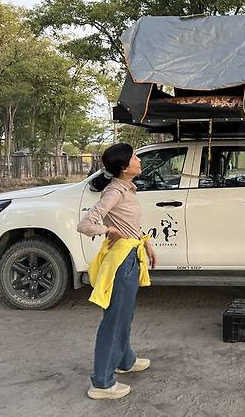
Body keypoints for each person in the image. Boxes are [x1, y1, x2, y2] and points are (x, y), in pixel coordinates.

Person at [77, 143, 159, 400]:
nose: (138, 160)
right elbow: (85, 224)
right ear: (124, 168)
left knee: (124, 314)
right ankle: (101, 383)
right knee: (115, 319)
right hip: (121, 261)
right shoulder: (114, 192)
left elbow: (131, 223)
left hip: (132, 256)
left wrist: (147, 243)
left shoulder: (127, 188)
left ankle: (126, 360)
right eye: (134, 157)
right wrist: (108, 231)